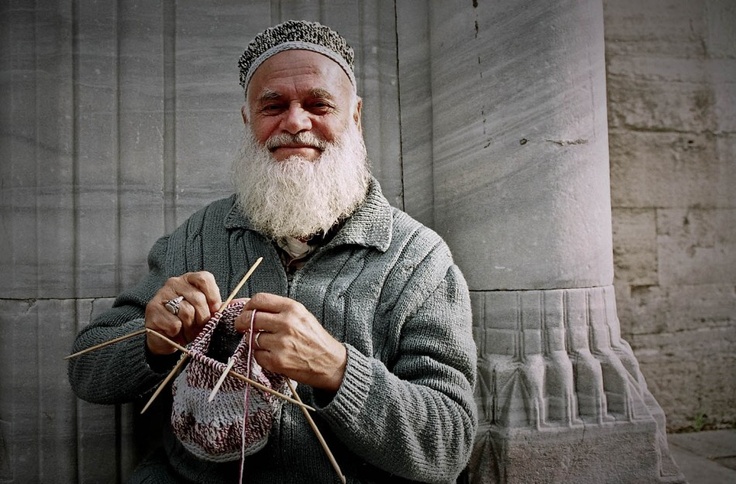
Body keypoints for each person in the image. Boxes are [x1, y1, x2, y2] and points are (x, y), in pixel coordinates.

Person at [68, 19, 478, 484]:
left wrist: (337, 369)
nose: (296, 122)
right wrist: (151, 343)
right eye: (273, 106)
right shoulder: (197, 237)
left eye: (319, 104)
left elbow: (451, 443)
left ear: (355, 116)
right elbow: (85, 368)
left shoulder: (418, 259)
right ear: (249, 119)